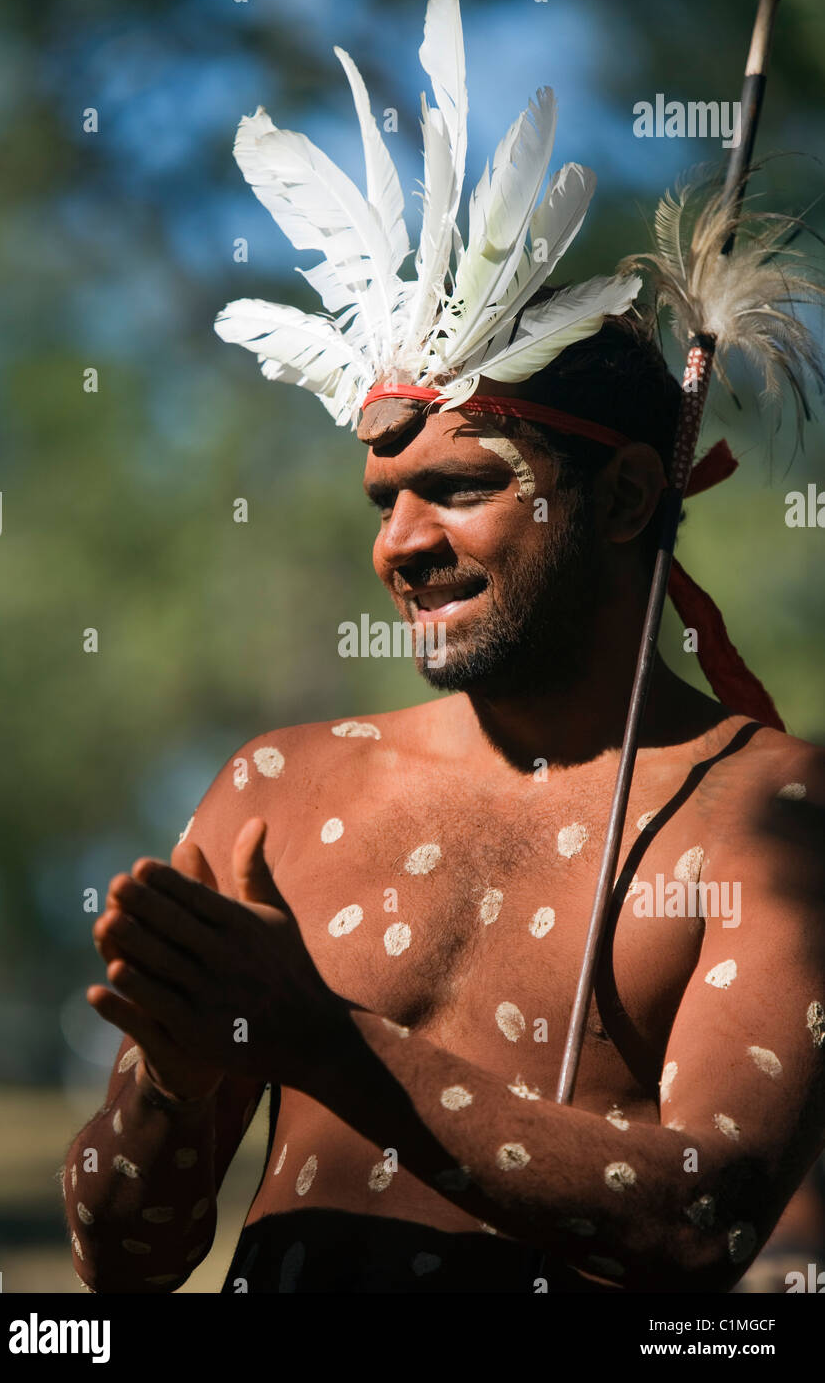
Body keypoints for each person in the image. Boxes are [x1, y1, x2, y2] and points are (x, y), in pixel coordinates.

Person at [61, 310, 825, 1293]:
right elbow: (122, 1261)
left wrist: (325, 1041)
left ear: (627, 494)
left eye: (458, 488)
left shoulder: (775, 813)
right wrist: (174, 1082)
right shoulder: (274, 791)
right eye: (382, 503)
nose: (400, 545)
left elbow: (700, 1226)